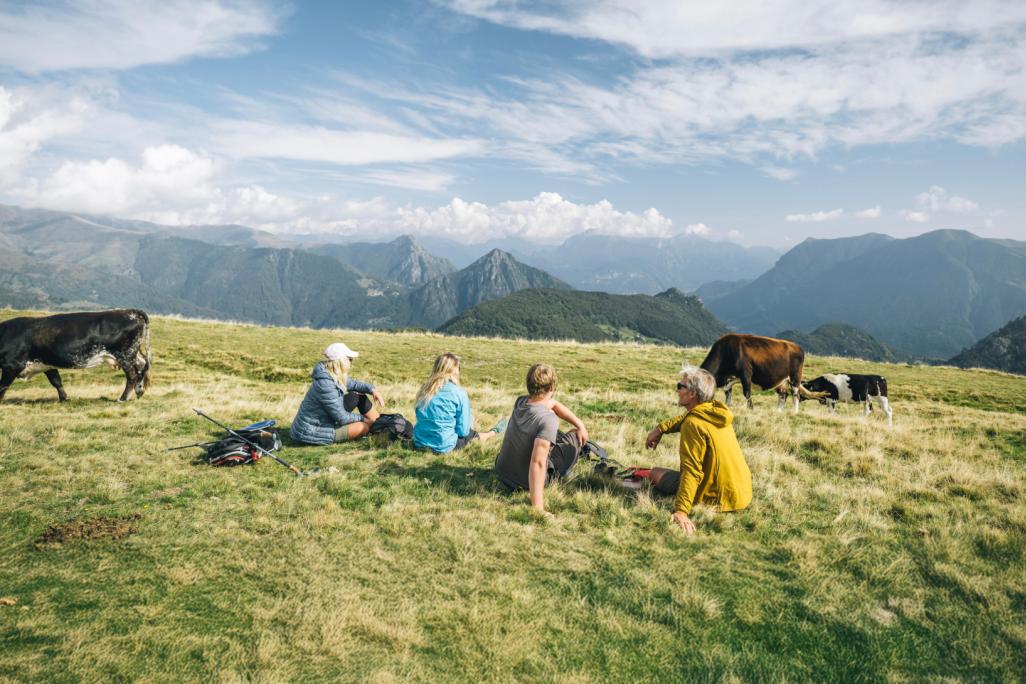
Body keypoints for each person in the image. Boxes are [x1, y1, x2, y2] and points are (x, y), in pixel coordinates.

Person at [641, 365, 752, 534]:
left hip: (717, 497)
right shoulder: (715, 412)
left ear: (692, 394)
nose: (677, 390)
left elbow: (692, 471)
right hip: (740, 494)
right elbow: (690, 415)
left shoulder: (692, 424)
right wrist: (661, 428)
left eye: (681, 386)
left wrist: (681, 511)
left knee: (655, 473)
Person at [494, 363, 588, 518]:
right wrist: (538, 508)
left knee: (559, 431)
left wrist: (580, 423)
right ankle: (561, 470)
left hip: (503, 472)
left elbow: (553, 404)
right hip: (524, 483)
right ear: (552, 387)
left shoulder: (521, 402)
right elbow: (537, 462)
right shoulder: (548, 419)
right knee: (575, 436)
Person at [290, 342, 384, 445]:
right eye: (350, 359)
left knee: (357, 396)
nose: (351, 362)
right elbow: (341, 418)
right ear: (341, 361)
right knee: (363, 427)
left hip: (326, 419)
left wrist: (373, 390)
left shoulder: (333, 374)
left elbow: (354, 384)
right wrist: (364, 419)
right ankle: (377, 427)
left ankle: (380, 426)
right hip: (311, 432)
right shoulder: (326, 384)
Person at [412, 352, 507, 453]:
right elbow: (463, 432)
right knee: (470, 432)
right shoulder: (458, 392)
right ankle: (492, 433)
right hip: (444, 446)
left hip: (419, 443)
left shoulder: (424, 390)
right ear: (454, 371)